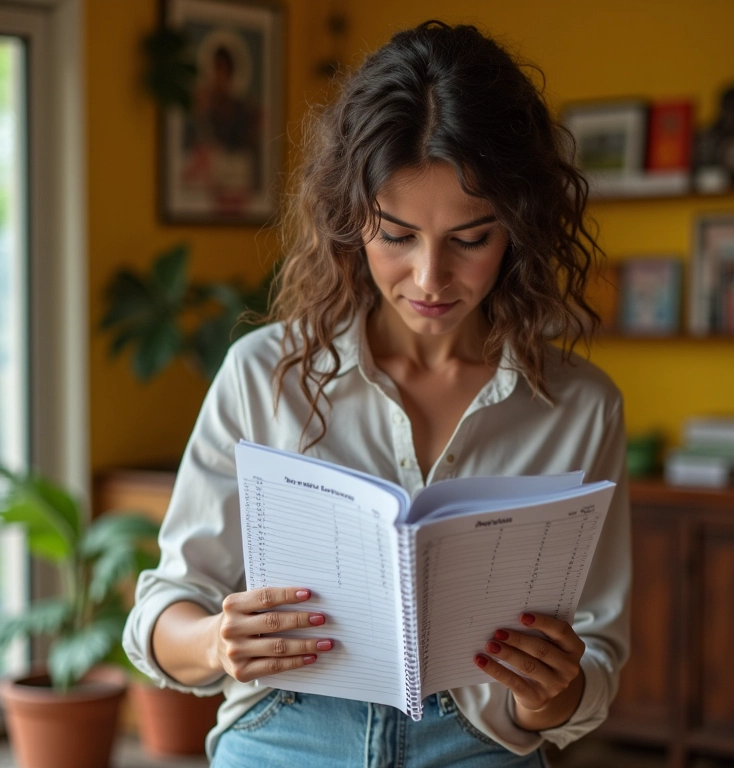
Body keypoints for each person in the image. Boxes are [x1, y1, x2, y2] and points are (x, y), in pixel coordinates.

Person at [124, 20, 630, 768]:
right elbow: (162, 612)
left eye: (470, 238)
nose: (429, 279)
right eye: (396, 235)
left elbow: (595, 662)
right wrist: (216, 641)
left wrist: (550, 693)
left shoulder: (581, 407)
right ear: (350, 221)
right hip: (283, 730)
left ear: (518, 228)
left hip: (477, 745)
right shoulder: (263, 373)